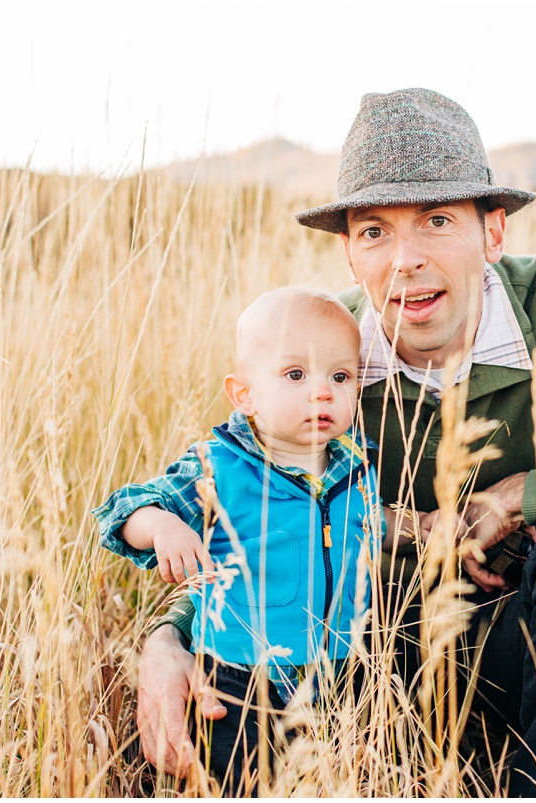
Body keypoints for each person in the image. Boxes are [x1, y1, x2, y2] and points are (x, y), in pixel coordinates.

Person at [131, 88, 536, 795]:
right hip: (373, 665)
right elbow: (249, 513)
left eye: (436, 220)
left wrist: (525, 495)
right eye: (374, 230)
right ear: (348, 253)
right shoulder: (317, 358)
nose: (405, 258)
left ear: (494, 232)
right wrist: (170, 638)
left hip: (533, 646)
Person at [92, 287, 383, 794]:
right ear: (244, 394)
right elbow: (124, 509)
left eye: (340, 377)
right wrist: (162, 525)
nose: (323, 392)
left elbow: (369, 525)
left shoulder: (356, 465)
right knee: (241, 784)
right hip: (241, 682)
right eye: (296, 375)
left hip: (343, 674)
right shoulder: (220, 466)